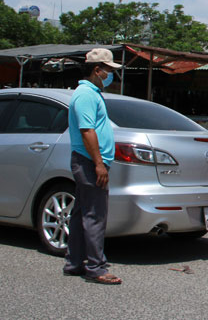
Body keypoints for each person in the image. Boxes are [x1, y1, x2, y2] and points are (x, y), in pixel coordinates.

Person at [63, 48, 122, 284]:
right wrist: (99, 164)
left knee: (81, 214)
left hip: (90, 161)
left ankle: (74, 262)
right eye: (108, 71)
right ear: (97, 70)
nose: (111, 76)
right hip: (89, 162)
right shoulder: (86, 95)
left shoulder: (93, 93)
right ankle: (96, 267)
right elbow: (87, 131)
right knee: (95, 215)